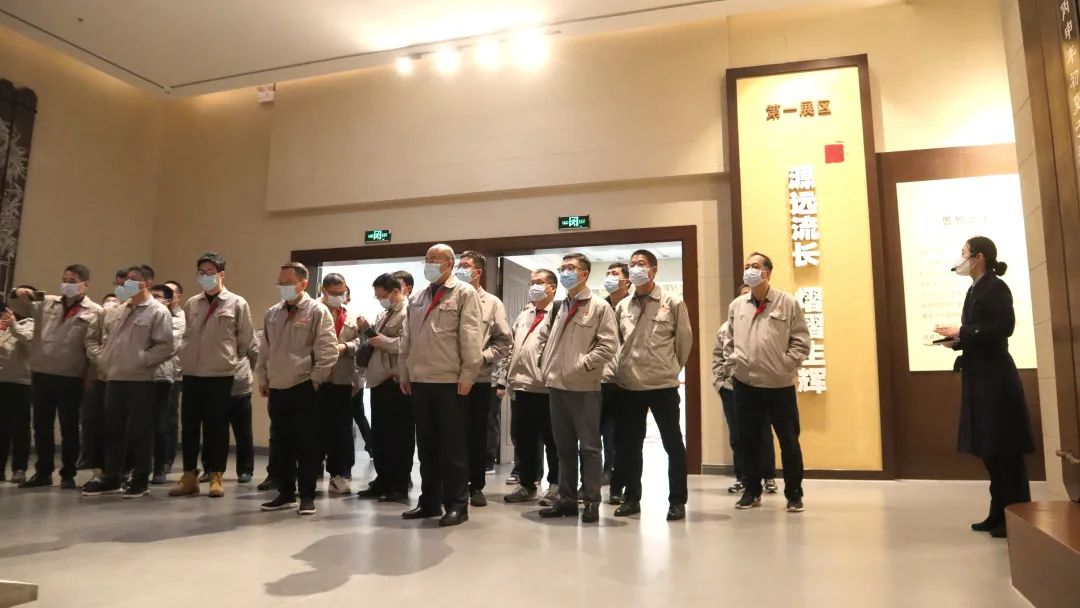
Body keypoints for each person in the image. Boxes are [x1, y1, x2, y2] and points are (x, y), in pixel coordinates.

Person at [934, 236, 1034, 539]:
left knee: (1005, 451)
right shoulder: (975, 289)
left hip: (996, 380)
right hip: (980, 378)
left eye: (963, 252)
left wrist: (963, 331)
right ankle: (997, 513)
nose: (960, 258)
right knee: (991, 451)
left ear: (978, 257)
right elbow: (980, 332)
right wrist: (956, 340)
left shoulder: (996, 287)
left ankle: (1016, 518)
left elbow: (1004, 327)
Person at [399, 244, 483, 527]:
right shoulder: (418, 296)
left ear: (450, 263)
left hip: (450, 381)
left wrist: (468, 375)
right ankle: (430, 501)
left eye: (435, 259)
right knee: (426, 447)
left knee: (452, 448)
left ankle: (457, 504)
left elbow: (471, 337)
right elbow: (407, 338)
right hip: (420, 380)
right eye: (427, 259)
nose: (430, 264)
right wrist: (405, 373)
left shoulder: (464, 292)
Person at [724, 252, 810, 513]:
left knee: (789, 442)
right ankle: (751, 491)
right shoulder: (737, 305)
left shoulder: (787, 302)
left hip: (779, 386)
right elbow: (728, 340)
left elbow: (801, 340)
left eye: (755, 266)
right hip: (746, 384)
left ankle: (794, 493)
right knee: (748, 441)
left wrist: (786, 365)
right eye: (747, 266)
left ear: (767, 272)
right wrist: (734, 363)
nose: (749, 270)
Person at [536, 253, 617, 524]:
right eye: (562, 268)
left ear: (584, 274)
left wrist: (582, 365)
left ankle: (591, 500)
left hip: (584, 388)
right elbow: (545, 338)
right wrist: (545, 362)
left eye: (570, 268)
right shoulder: (558, 306)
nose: (565, 272)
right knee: (564, 448)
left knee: (590, 448)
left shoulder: (599, 307)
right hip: (556, 386)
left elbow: (608, 345)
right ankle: (567, 501)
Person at [82, 265, 175, 498]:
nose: (127, 283)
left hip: (140, 379)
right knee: (113, 430)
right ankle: (112, 477)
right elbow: (108, 340)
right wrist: (105, 360)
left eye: (134, 279)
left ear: (147, 283)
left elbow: (165, 346)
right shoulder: (119, 310)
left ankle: (140, 479)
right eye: (126, 279)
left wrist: (141, 360)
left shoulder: (157, 311)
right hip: (114, 377)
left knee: (140, 432)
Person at [171, 252, 255, 499]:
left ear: (221, 274)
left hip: (220, 374)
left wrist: (229, 359)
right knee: (189, 426)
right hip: (192, 372)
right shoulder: (192, 303)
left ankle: (216, 475)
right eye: (201, 272)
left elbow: (245, 339)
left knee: (216, 428)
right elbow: (187, 335)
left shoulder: (237, 303)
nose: (205, 276)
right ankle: (189, 476)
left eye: (210, 272)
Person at [257, 262, 338, 516]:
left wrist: (315, 380)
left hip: (304, 386)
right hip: (278, 386)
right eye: (280, 282)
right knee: (281, 444)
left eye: (288, 283)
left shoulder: (317, 311)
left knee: (307, 444)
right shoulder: (273, 313)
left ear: (303, 284)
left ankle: (307, 496)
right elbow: (265, 348)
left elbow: (327, 350)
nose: (283, 287)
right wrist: (263, 378)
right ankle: (285, 493)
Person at [12, 265, 103, 489]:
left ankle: (68, 473)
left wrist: (90, 376)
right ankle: (43, 471)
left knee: (69, 427)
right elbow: (15, 303)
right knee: (41, 426)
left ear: (85, 284)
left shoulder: (95, 311)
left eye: (72, 280)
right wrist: (19, 291)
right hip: (42, 372)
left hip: (72, 375)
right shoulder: (46, 301)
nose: (67, 284)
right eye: (64, 279)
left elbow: (95, 345)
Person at [454, 251, 512, 507]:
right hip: (447, 377)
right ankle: (452, 484)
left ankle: (475, 485)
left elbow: (504, 342)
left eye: (465, 266)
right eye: (459, 265)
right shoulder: (449, 297)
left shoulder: (492, 303)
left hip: (478, 380)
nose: (460, 270)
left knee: (476, 435)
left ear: (478, 272)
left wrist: (481, 358)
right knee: (450, 434)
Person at [499, 270, 562, 506]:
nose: (533, 286)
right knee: (524, 440)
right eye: (532, 282)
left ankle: (556, 486)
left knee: (553, 441)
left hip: (548, 388)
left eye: (539, 282)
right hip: (522, 387)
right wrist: (506, 378)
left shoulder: (560, 313)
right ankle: (527, 484)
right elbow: (512, 346)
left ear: (552, 287)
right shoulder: (525, 315)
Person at [713, 284, 780, 495]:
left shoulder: (767, 322)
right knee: (738, 435)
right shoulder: (725, 328)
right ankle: (743, 477)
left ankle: (768, 477)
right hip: (731, 388)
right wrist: (719, 382)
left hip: (760, 385)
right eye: (744, 296)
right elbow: (717, 356)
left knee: (763, 433)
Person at [355, 273, 412, 502]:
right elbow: (375, 340)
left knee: (399, 436)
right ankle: (383, 480)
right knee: (381, 435)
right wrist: (368, 330)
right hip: (378, 379)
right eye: (377, 296)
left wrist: (383, 341)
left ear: (396, 292)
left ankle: (399, 484)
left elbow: (408, 343)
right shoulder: (383, 314)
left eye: (383, 295)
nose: (380, 300)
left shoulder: (409, 312)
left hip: (397, 380)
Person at [319, 274, 361, 495]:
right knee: (314, 428)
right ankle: (310, 471)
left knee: (342, 429)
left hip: (342, 379)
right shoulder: (312, 311)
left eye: (342, 293)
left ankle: (340, 474)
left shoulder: (351, 315)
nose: (338, 297)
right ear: (323, 291)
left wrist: (346, 347)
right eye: (334, 293)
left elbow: (361, 342)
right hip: (316, 380)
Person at [150, 284, 186, 485]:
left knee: (164, 422)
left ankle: (162, 465)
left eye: (159, 296)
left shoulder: (179, 318)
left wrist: (143, 353)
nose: (154, 299)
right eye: (152, 295)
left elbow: (169, 344)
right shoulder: (145, 314)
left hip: (167, 374)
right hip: (142, 375)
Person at [601, 262, 630, 503]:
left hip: (624, 381)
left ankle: (618, 483)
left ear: (627, 281)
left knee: (621, 436)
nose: (610, 277)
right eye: (608, 273)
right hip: (599, 380)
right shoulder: (600, 307)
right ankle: (596, 477)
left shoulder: (633, 306)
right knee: (596, 432)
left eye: (615, 274)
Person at [0, 293, 35, 484]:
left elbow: (28, 342)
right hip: (1, 379)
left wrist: (13, 325)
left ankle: (19, 468)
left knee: (20, 427)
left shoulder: (32, 323)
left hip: (20, 382)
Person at [162, 280, 185, 475]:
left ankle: (166, 460)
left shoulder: (182, 317)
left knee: (169, 418)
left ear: (178, 296)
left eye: (171, 292)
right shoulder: (153, 313)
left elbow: (171, 343)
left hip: (173, 373)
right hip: (150, 374)